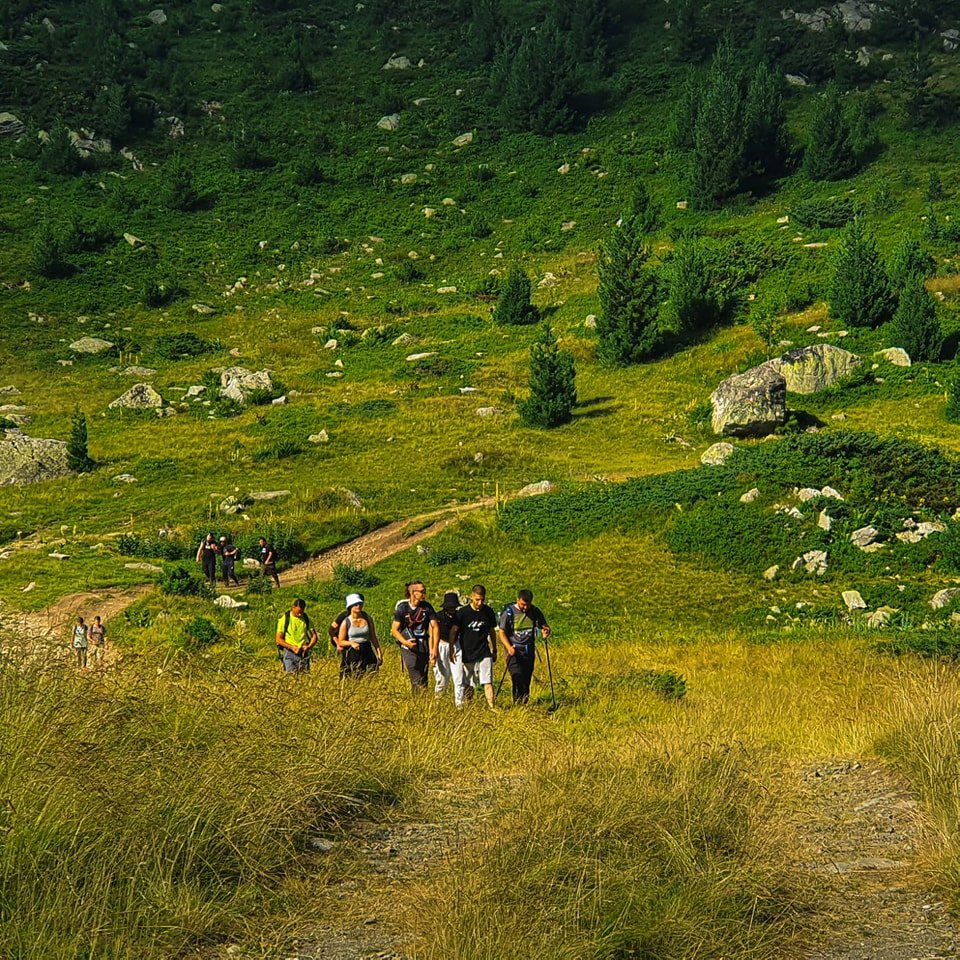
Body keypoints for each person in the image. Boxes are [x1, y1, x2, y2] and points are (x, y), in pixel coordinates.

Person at [497, 589, 551, 705]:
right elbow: (501, 632)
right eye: (522, 605)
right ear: (518, 600)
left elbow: (543, 625)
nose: (525, 608)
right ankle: (517, 704)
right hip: (514, 651)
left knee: (527, 679)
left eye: (527, 605)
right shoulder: (509, 612)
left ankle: (524, 704)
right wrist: (509, 647)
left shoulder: (535, 611)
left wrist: (545, 630)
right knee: (517, 678)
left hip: (529, 650)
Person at [450, 585, 498, 708]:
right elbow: (454, 630)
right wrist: (452, 649)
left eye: (482, 599)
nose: (479, 602)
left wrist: (495, 648)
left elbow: (492, 630)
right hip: (467, 651)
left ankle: (492, 706)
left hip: (484, 651)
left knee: (487, 681)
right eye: (477, 599)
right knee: (467, 682)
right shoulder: (462, 613)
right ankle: (469, 704)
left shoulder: (488, 612)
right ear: (471, 597)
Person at [391, 580, 438, 693]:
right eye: (422, 591)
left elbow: (435, 626)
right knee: (414, 672)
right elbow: (394, 630)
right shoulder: (402, 609)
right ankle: (419, 698)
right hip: (408, 647)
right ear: (413, 593)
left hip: (423, 645)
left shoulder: (427, 608)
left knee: (423, 675)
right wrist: (405, 642)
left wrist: (434, 648)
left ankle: (420, 702)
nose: (424, 594)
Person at [336, 593, 383, 678]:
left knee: (371, 677)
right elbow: (341, 641)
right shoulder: (346, 622)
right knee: (355, 677)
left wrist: (379, 653)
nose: (359, 606)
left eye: (360, 604)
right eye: (356, 604)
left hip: (367, 650)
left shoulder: (367, 618)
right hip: (354, 653)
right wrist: (351, 643)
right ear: (350, 606)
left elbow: (373, 637)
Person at [275, 598, 318, 673]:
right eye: (298, 612)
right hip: (289, 653)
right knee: (290, 678)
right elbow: (278, 639)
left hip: (303, 653)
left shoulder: (306, 618)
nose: (300, 614)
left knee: (304, 679)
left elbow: (314, 636)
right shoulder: (285, 619)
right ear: (293, 607)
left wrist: (309, 646)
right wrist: (292, 647)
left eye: (302, 612)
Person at [434, 591, 460, 700]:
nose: (452, 609)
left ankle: (459, 703)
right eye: (450, 607)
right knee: (443, 677)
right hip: (441, 645)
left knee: (459, 677)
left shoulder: (459, 617)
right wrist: (434, 649)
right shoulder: (438, 617)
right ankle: (438, 700)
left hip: (456, 646)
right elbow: (432, 633)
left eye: (454, 607)